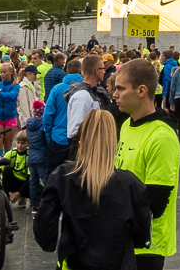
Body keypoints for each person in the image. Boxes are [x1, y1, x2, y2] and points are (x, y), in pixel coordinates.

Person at [34, 109, 151, 270]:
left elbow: (45, 235)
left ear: (81, 141)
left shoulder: (62, 177)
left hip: (75, 262)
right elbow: (142, 235)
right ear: (114, 142)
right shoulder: (131, 183)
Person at [112, 59, 180, 270]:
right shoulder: (126, 125)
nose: (114, 94)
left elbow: (155, 204)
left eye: (120, 89)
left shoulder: (161, 136)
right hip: (122, 236)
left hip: (146, 246)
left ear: (141, 90)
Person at [0, 62, 21, 154]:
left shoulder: (15, 85)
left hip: (10, 117)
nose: (2, 74)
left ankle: (7, 165)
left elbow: (12, 95)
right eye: (1, 72)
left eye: (4, 72)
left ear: (11, 72)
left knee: (8, 144)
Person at [24, 100, 48, 213]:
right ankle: (49, 202)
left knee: (33, 182)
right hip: (42, 157)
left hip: (31, 157)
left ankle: (35, 204)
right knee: (46, 180)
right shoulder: (43, 125)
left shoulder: (29, 124)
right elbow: (46, 139)